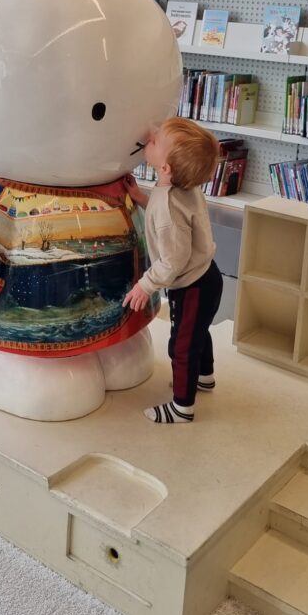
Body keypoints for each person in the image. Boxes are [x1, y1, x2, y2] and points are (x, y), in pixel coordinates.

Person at [123, 118, 223, 424]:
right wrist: (141, 198)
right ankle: (204, 376)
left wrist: (145, 285)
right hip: (208, 276)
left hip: (191, 285)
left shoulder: (168, 204)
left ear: (165, 169)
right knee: (198, 332)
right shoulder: (181, 186)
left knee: (181, 345)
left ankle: (182, 407)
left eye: (154, 142)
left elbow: (172, 261)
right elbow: (167, 209)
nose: (148, 137)